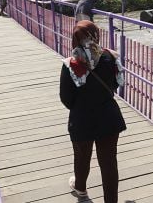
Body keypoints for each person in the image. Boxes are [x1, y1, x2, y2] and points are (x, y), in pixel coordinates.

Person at [60, 21, 126, 200]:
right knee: (109, 163)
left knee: (82, 156)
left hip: (82, 119)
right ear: (96, 34)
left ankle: (80, 189)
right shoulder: (110, 56)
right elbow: (115, 84)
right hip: (109, 117)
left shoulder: (71, 64)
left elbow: (66, 98)